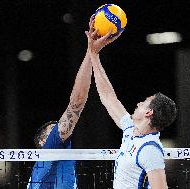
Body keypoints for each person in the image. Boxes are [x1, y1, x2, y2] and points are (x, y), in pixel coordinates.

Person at [85, 22, 177, 188]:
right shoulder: (130, 130)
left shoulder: (150, 149)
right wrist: (94, 54)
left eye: (144, 102)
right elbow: (107, 96)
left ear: (149, 112)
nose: (138, 103)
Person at [27, 18, 96, 189]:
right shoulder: (51, 150)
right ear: (44, 141)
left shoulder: (45, 170)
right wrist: (91, 51)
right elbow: (77, 102)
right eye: (53, 132)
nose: (60, 129)